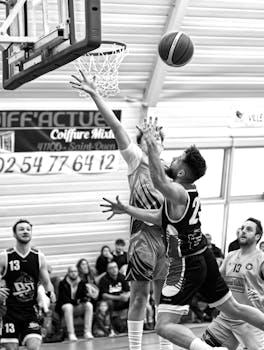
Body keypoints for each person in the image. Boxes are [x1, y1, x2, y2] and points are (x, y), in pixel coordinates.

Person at [101, 125, 264, 350]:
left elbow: (158, 181)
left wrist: (152, 148)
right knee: (233, 308)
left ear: (180, 173)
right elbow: (158, 218)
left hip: (189, 262)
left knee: (163, 326)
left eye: (178, 159)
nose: (173, 159)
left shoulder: (178, 192)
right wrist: (127, 209)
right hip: (203, 256)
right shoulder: (187, 190)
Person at [71, 73, 170, 350]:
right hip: (142, 237)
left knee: (164, 298)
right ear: (141, 143)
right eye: (148, 137)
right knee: (139, 296)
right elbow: (116, 126)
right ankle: (135, 348)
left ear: (163, 141)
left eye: (157, 137)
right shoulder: (135, 158)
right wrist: (94, 94)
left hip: (167, 237)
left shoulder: (171, 168)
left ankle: (166, 344)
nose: (153, 140)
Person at [203, 217, 264, 349]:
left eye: (248, 229)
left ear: (257, 236)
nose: (243, 231)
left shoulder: (261, 259)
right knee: (203, 347)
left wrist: (261, 298)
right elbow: (216, 279)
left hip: (250, 322)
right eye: (242, 228)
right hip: (226, 318)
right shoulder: (231, 256)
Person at [0, 219, 56, 350]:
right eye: (21, 229)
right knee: (11, 347)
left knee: (34, 346)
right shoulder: (5, 256)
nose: (25, 231)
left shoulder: (39, 256)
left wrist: (51, 294)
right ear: (14, 234)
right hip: (9, 311)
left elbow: (47, 283)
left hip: (31, 311)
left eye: (28, 229)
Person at [56, 265, 94, 341]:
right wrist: (76, 301)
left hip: (77, 306)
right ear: (68, 273)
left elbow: (84, 295)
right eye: (71, 271)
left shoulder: (82, 282)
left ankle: (87, 332)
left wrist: (85, 298)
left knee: (89, 305)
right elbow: (63, 298)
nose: (73, 273)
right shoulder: (63, 283)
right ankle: (71, 334)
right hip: (65, 307)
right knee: (68, 306)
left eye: (75, 271)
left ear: (78, 272)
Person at [99, 261, 130, 333]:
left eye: (115, 267)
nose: (114, 269)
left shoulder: (122, 277)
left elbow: (129, 290)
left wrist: (126, 296)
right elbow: (104, 295)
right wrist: (119, 298)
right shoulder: (104, 279)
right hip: (111, 301)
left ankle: (131, 323)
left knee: (132, 299)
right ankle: (111, 327)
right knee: (108, 303)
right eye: (111, 268)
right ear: (108, 270)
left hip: (122, 300)